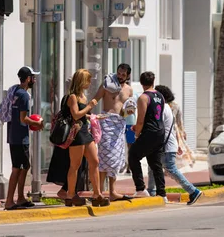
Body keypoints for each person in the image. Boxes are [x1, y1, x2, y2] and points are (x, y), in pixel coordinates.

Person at [148, 85, 203, 205]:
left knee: (170, 169)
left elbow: (166, 127)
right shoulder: (166, 107)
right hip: (168, 143)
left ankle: (193, 191)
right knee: (153, 167)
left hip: (165, 144)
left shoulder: (163, 108)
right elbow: (172, 128)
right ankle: (151, 191)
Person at [64, 69, 109, 207]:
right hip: (76, 134)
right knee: (75, 165)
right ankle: (70, 195)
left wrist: (93, 116)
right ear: (81, 81)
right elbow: (76, 115)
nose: (90, 83)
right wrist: (90, 106)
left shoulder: (82, 96)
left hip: (85, 131)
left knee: (94, 161)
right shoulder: (72, 97)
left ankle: (97, 194)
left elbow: (82, 115)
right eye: (88, 80)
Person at [92, 64, 133, 201]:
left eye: (123, 74)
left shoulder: (129, 90)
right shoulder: (107, 85)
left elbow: (127, 110)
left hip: (119, 124)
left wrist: (130, 113)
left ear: (127, 76)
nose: (120, 76)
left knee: (115, 159)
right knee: (104, 157)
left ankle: (113, 191)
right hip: (106, 122)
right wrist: (86, 111)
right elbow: (95, 99)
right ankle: (100, 192)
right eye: (119, 73)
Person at [5, 66, 44, 210]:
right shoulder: (24, 95)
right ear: (28, 79)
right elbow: (23, 118)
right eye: (33, 77)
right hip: (20, 137)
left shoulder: (15, 91)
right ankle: (10, 201)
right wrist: (38, 124)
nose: (34, 80)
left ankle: (20, 198)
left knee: (24, 166)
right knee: (17, 168)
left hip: (13, 135)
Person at [128, 71, 167, 201]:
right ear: (153, 81)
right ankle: (162, 193)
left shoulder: (143, 97)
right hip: (160, 132)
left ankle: (140, 188)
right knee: (155, 163)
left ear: (141, 82)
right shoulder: (160, 96)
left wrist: (137, 134)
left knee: (133, 155)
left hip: (149, 132)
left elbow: (140, 119)